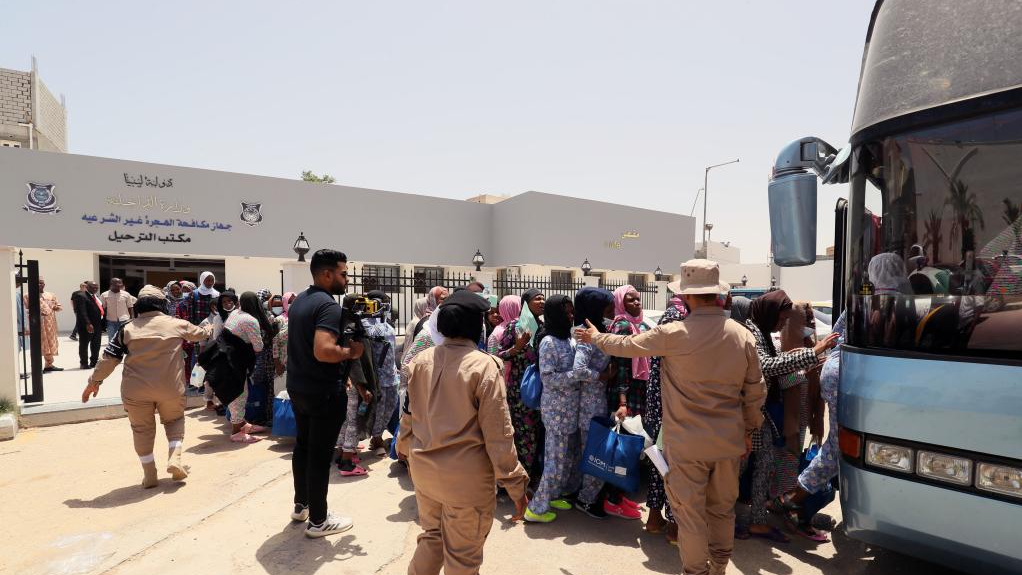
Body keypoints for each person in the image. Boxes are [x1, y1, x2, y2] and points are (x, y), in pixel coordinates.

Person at [576, 259, 767, 575]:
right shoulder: (741, 335)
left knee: (689, 515)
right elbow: (756, 391)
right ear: (718, 295)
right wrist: (749, 430)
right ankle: (719, 566)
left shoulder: (674, 333)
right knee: (721, 511)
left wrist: (596, 337)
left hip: (686, 444)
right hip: (729, 441)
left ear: (687, 297)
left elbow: (627, 345)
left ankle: (696, 571)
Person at [397, 289, 529, 575]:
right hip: (466, 481)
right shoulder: (485, 365)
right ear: (476, 325)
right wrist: (516, 484)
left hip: (424, 471)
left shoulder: (421, 361)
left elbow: (409, 413)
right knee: (462, 558)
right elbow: (499, 434)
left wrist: (403, 446)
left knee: (432, 538)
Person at [81, 285, 213, 488]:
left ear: (138, 306)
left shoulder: (127, 328)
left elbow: (109, 359)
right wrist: (209, 328)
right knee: (174, 421)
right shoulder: (176, 324)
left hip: (135, 391)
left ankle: (150, 475)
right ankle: (175, 458)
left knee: (141, 430)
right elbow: (201, 334)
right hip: (170, 388)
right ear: (163, 304)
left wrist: (94, 383)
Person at [738, 290, 838, 544]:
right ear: (771, 313)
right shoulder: (752, 334)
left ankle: (757, 521)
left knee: (763, 465)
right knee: (740, 469)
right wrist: (810, 354)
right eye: (781, 319)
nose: (782, 324)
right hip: (748, 412)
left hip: (760, 413)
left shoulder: (760, 332)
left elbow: (775, 361)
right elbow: (767, 366)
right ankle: (727, 521)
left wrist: (806, 357)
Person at [287, 249, 364, 538]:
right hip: (322, 393)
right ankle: (319, 521)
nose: (347, 279)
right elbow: (323, 350)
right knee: (319, 457)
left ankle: (301, 505)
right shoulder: (328, 305)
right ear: (327, 274)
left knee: (303, 448)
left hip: (299, 388)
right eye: (344, 274)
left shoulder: (300, 301)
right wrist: (351, 351)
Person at [525, 295, 594, 523]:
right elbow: (549, 378)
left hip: (571, 408)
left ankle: (553, 495)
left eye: (572, 311)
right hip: (556, 411)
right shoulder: (548, 342)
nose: (571, 316)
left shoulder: (569, 339)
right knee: (554, 460)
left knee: (566, 458)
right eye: (566, 312)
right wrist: (578, 375)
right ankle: (536, 508)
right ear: (556, 314)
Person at [776, 313, 846, 539]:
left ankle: (788, 505)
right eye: (806, 322)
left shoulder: (815, 349)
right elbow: (781, 381)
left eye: (813, 322)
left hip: (801, 423)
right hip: (786, 428)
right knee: (791, 470)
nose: (812, 326)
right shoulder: (790, 352)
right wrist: (808, 366)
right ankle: (789, 509)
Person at [601, 284, 650, 518]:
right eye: (630, 300)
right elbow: (620, 365)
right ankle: (612, 500)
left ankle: (619, 496)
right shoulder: (621, 325)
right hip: (625, 395)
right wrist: (623, 402)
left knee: (630, 447)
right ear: (621, 302)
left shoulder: (636, 325)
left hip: (635, 392)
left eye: (638, 299)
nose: (636, 303)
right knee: (622, 449)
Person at [644, 292, 689, 541]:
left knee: (659, 461)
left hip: (660, 401)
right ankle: (673, 526)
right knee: (674, 464)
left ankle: (653, 517)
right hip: (670, 403)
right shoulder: (678, 317)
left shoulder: (670, 314)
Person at [570, 287, 616, 520]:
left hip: (594, 400)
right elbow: (578, 369)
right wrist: (602, 376)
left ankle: (584, 494)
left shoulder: (594, 331)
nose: (612, 311)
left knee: (588, 451)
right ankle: (586, 500)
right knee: (594, 452)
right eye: (608, 307)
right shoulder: (586, 334)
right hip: (591, 402)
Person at [495, 289, 546, 482]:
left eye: (543, 298)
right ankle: (520, 479)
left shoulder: (542, 326)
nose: (541, 301)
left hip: (539, 388)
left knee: (536, 434)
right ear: (526, 303)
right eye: (537, 298)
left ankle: (530, 476)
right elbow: (499, 355)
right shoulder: (515, 326)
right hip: (520, 389)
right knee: (524, 435)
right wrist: (517, 347)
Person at [223, 291, 275, 443]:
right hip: (237, 361)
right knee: (239, 394)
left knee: (238, 393)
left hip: (227, 358)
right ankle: (236, 432)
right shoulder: (251, 320)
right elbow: (258, 347)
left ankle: (242, 424)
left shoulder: (235, 313)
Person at [364, 290, 399, 457]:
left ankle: (378, 435)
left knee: (390, 407)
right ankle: (376, 439)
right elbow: (371, 336)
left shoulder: (387, 321)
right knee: (378, 409)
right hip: (378, 375)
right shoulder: (365, 322)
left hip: (391, 373)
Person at [199, 290, 238, 412]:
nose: (227, 304)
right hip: (224, 353)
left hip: (239, 353)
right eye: (224, 302)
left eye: (230, 301)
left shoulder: (240, 315)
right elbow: (216, 338)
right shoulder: (218, 318)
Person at [31, 278, 63, 372]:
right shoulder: (28, 295)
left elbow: (59, 306)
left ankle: (49, 365)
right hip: (36, 324)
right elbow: (26, 309)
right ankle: (35, 367)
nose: (40, 285)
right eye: (38, 283)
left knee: (49, 344)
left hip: (50, 324)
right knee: (37, 345)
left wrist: (56, 307)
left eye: (42, 283)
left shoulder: (50, 295)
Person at [73, 280, 104, 370]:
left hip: (97, 325)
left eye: (96, 287)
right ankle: (84, 363)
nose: (95, 288)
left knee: (96, 344)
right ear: (87, 287)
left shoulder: (96, 297)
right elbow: (82, 311)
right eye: (93, 287)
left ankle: (94, 362)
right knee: (84, 345)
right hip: (86, 326)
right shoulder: (81, 296)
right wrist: (88, 323)